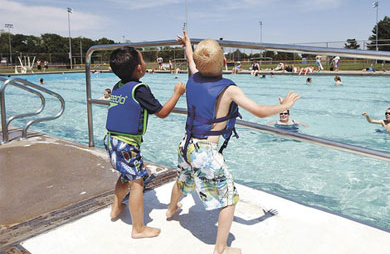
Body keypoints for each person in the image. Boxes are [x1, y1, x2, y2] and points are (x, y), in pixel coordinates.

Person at [166, 31, 300, 254]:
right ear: (226, 62)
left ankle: (171, 210)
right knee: (229, 197)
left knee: (183, 178)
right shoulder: (229, 89)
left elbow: (191, 59)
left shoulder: (193, 77)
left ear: (199, 64)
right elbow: (258, 111)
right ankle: (221, 249)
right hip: (205, 152)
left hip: (186, 144)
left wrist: (188, 45)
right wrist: (283, 106)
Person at [105, 46, 185, 239]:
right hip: (127, 144)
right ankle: (138, 228)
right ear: (138, 69)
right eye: (142, 60)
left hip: (112, 140)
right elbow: (162, 113)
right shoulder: (139, 90)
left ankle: (116, 208)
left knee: (125, 175)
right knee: (137, 182)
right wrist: (178, 93)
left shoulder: (118, 86)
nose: (145, 63)